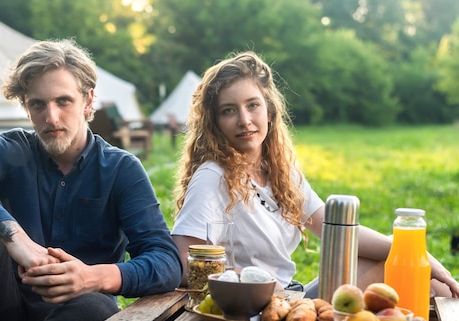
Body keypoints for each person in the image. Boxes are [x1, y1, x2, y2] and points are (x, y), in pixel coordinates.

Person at [0, 39, 182, 321]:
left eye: (63, 101)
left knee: (98, 311)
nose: (51, 117)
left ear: (87, 102)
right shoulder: (11, 149)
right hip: (1, 311)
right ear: (25, 107)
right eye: (38, 104)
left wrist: (91, 277)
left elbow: (166, 261)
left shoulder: (120, 168)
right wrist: (14, 237)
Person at [171, 50, 459, 299]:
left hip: (292, 297)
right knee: (404, 266)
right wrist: (239, 275)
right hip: (254, 310)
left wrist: (419, 252)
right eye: (229, 110)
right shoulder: (213, 177)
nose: (244, 120)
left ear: (270, 112)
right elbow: (185, 265)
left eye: (252, 105)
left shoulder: (280, 172)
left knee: (410, 263)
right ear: (215, 123)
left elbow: (341, 233)